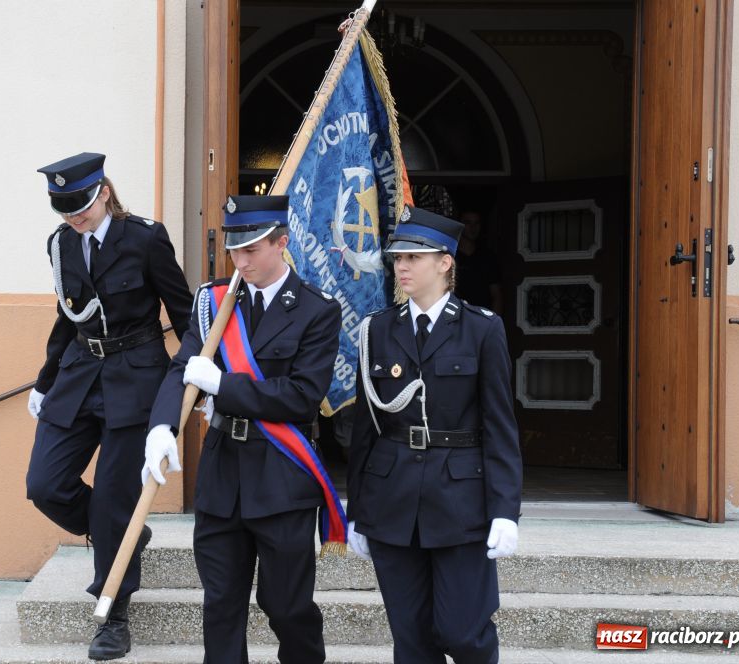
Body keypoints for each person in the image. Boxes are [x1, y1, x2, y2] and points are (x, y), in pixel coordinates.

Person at [142, 194, 343, 664]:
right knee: (221, 604)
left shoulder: (317, 310)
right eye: (235, 249)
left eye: (252, 249)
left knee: (286, 605)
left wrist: (224, 386)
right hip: (222, 474)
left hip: (281, 477)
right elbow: (182, 369)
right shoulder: (213, 303)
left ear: (282, 243)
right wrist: (161, 427)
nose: (241, 260)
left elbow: (300, 397)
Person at [24, 152, 193, 660]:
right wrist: (45, 380)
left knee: (115, 499)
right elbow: (67, 316)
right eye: (64, 209)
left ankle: (112, 613)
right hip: (78, 376)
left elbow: (183, 311)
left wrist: (191, 383)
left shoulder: (144, 238)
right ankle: (120, 534)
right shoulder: (59, 245)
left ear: (102, 192)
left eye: (80, 205)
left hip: (135, 379)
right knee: (45, 485)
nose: (73, 217)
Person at [347, 205, 522, 664]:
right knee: (411, 639)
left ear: (445, 262)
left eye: (413, 258)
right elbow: (366, 430)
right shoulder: (376, 330)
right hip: (392, 499)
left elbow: (499, 426)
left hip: (460, 500)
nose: (401, 266)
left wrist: (505, 510)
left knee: (464, 633)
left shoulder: (482, 328)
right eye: (397, 258)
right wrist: (357, 511)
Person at [454, 209, 503, 315]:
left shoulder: (488, 257)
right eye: (468, 223)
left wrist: (493, 326)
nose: (473, 227)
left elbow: (496, 295)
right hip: (455, 319)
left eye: (477, 223)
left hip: (482, 318)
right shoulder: (450, 257)